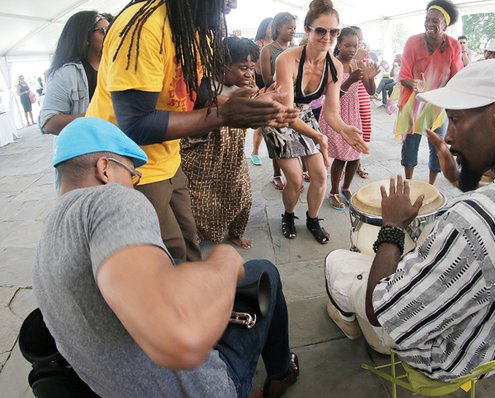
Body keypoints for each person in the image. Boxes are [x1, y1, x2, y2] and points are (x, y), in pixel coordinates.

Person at [325, 60, 495, 380]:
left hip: (451, 359)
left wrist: (392, 227)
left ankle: (349, 323)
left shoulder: (476, 222)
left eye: (456, 121)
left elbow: (379, 311)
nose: (448, 137)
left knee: (339, 262)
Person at [33, 117, 298, 398]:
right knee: (264, 271)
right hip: (208, 388)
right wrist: (224, 264)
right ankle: (281, 374)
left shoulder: (45, 243)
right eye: (132, 175)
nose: (134, 186)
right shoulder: (106, 201)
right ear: (105, 169)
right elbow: (180, 335)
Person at [86, 0, 297, 262]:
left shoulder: (196, 29)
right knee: (161, 261)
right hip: (126, 166)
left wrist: (249, 107)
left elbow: (196, 95)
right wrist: (226, 115)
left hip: (168, 161)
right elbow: (136, 124)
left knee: (189, 248)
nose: (233, 4)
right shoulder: (144, 27)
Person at [263, 0, 368, 244]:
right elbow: (287, 113)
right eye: (321, 30)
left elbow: (331, 112)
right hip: (280, 116)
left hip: (305, 113)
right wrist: (319, 136)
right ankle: (288, 215)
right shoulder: (286, 59)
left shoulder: (334, 66)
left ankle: (312, 219)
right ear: (308, 30)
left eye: (334, 32)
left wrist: (343, 129)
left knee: (320, 174)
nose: (328, 37)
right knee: (296, 178)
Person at [181, 37, 258, 250]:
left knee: (242, 194)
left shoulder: (247, 84)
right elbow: (224, 106)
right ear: (222, 64)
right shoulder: (204, 86)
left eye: (252, 68)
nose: (249, 73)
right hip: (204, 154)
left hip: (232, 152)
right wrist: (257, 104)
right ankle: (194, 241)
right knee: (200, 203)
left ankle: (235, 233)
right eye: (243, 67)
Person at [394, 0, 463, 184]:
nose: (429, 24)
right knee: (410, 146)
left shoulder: (453, 46)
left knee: (438, 146)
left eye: (435, 20)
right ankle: (409, 182)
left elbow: (456, 76)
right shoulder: (413, 41)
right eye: (427, 19)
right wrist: (415, 85)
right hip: (414, 103)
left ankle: (431, 185)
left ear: (445, 26)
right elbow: (404, 74)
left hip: (439, 105)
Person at [319, 27, 371, 209]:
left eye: (355, 46)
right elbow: (333, 97)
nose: (351, 49)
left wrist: (371, 77)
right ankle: (334, 191)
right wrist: (350, 80)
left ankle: (346, 188)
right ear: (339, 44)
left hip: (353, 115)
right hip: (336, 115)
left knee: (356, 155)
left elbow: (371, 91)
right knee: (341, 157)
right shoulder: (332, 64)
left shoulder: (358, 65)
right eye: (347, 45)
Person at [39, 11, 109, 135]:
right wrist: (97, 117)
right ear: (85, 38)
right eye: (103, 30)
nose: (110, 35)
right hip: (88, 148)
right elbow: (48, 123)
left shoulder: (115, 66)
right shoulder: (65, 74)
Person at [259, 12, 298, 189]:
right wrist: (287, 78)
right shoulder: (267, 50)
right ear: (278, 28)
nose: (292, 31)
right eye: (289, 27)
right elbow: (267, 79)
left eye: (294, 28)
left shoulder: (296, 49)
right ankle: (276, 174)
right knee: (277, 140)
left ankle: (295, 173)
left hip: (294, 99)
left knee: (294, 137)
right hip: (275, 99)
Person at [350, 26, 376, 179]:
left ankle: (357, 163)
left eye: (361, 38)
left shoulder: (364, 57)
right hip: (348, 99)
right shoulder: (343, 56)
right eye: (357, 38)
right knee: (349, 131)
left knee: (363, 130)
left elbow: (369, 86)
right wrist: (355, 60)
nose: (360, 42)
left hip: (363, 97)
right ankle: (345, 163)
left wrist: (364, 65)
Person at [250, 17, 274, 166]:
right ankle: (255, 152)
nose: (272, 29)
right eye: (270, 26)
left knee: (272, 122)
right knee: (260, 123)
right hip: (261, 85)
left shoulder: (280, 44)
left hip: (275, 84)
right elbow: (257, 69)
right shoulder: (258, 45)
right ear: (264, 28)